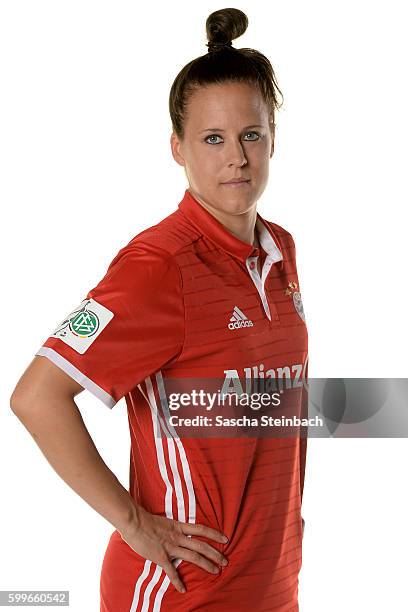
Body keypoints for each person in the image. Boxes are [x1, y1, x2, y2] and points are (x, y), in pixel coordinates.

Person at [10, 7, 309, 611]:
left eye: (251, 134)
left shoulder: (280, 251)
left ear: (273, 137)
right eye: (213, 138)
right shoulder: (157, 267)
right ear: (178, 147)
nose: (238, 158)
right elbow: (36, 397)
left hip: (271, 586)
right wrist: (133, 522)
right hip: (181, 592)